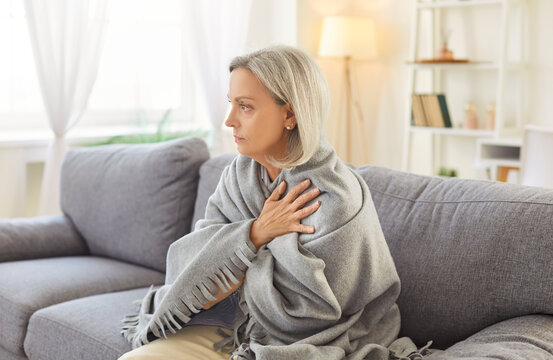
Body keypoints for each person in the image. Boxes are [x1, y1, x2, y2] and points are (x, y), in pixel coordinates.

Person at [119, 45, 436, 360]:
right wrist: (256, 234)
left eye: (245, 107)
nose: (229, 120)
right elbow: (191, 270)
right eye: (231, 104)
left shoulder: (333, 197)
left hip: (297, 341)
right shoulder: (239, 174)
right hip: (229, 323)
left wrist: (235, 260)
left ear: (290, 114)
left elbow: (310, 315)